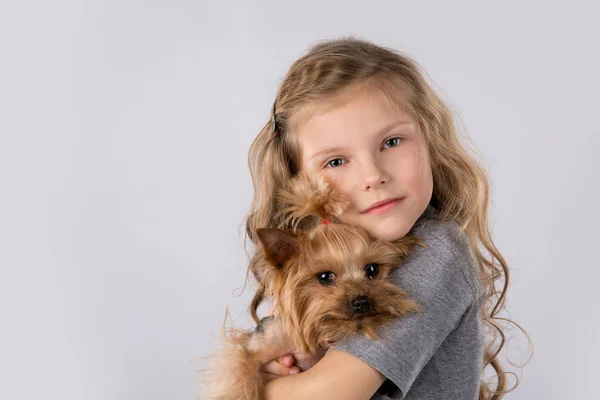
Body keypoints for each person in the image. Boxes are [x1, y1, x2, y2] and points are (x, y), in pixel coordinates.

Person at [242, 37, 529, 399]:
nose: (373, 175)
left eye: (391, 142)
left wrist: (265, 387)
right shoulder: (303, 262)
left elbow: (327, 395)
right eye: (335, 161)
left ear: (430, 139)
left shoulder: (436, 250)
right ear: (297, 177)